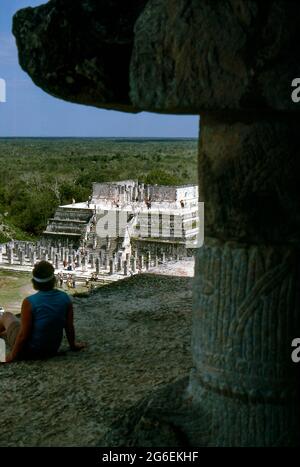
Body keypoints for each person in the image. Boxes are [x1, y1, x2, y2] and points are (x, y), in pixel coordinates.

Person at [0, 261, 85, 363]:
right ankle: (5, 333)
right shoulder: (65, 298)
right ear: (53, 280)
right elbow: (69, 327)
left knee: (7, 316)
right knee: (13, 326)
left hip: (29, 351)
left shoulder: (29, 302)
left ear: (34, 283)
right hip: (51, 349)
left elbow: (23, 335)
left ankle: (6, 333)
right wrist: (73, 345)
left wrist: (12, 356)